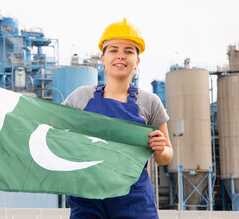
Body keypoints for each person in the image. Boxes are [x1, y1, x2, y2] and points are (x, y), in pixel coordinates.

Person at [62, 18, 173, 219]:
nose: (120, 56)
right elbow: (50, 131)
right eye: (113, 50)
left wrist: (160, 148)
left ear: (137, 61)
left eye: (128, 51)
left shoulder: (150, 102)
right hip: (87, 198)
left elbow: (166, 155)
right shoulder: (80, 97)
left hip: (133, 201)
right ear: (103, 58)